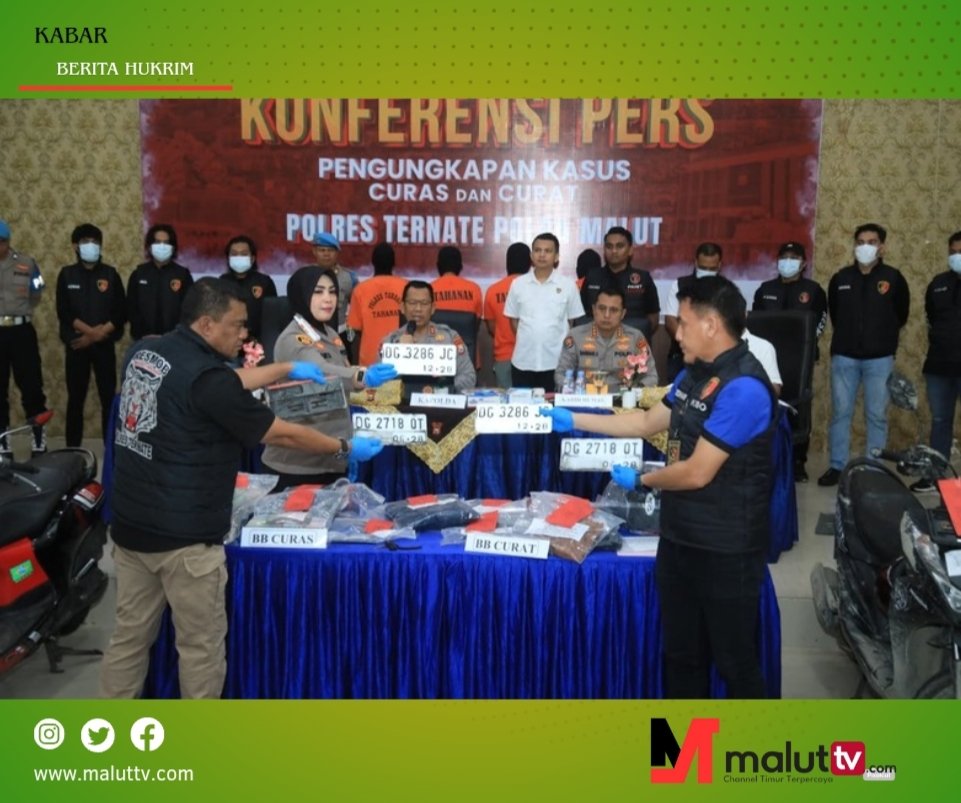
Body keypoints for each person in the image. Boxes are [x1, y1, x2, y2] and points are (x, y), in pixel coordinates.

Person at [100, 278, 384, 698]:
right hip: (185, 540)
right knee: (200, 648)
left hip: (132, 528)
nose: (244, 334)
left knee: (129, 638)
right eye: (236, 325)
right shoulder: (209, 379)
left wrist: (285, 369)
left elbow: (224, 382)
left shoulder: (149, 353)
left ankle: (106, 727)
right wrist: (343, 447)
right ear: (206, 324)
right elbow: (280, 432)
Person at [541, 276, 777, 698]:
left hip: (726, 548)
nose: (676, 332)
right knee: (680, 656)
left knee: (734, 663)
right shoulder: (693, 374)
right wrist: (574, 418)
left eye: (683, 323)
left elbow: (697, 472)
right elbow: (646, 422)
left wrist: (642, 480)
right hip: (679, 537)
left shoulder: (744, 388)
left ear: (711, 325)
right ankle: (678, 744)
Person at [262, 265, 397, 490]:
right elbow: (322, 372)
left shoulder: (330, 333)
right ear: (301, 296)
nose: (328, 299)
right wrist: (362, 375)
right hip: (297, 466)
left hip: (329, 458)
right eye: (318, 292)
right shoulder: (294, 339)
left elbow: (342, 379)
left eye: (332, 291)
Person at [818, 223, 910, 487]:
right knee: (841, 413)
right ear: (854, 246)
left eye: (871, 242)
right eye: (860, 242)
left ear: (882, 247)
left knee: (877, 414)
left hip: (879, 359)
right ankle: (837, 466)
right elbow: (836, 314)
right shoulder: (841, 278)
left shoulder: (894, 278)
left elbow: (901, 315)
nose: (865, 247)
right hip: (844, 357)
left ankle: (874, 468)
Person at [752, 241, 827, 480]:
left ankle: (797, 461)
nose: (788, 262)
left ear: (803, 263)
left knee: (799, 407)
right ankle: (766, 455)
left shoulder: (814, 290)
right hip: (766, 360)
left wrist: (805, 348)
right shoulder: (765, 289)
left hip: (799, 361)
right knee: (766, 403)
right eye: (784, 257)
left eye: (794, 257)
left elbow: (819, 324)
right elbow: (754, 323)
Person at [55, 223, 126, 447]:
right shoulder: (66, 274)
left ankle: (110, 447)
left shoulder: (110, 274)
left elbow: (121, 312)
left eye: (95, 242)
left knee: (108, 399)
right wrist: (90, 333)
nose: (91, 246)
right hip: (78, 346)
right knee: (76, 399)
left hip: (104, 346)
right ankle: (72, 449)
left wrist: (98, 334)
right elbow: (64, 312)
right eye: (86, 242)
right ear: (75, 246)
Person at [503, 232, 584, 392]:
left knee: (554, 406)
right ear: (531, 255)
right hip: (523, 362)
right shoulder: (517, 284)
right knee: (523, 407)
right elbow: (514, 321)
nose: (542, 255)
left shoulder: (568, 286)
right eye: (537, 250)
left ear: (556, 257)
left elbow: (572, 323)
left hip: (556, 363)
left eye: (547, 251)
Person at [917, 231, 961, 492]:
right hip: (939, 365)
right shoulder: (938, 284)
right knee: (941, 420)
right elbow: (931, 317)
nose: (957, 256)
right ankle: (936, 476)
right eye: (953, 252)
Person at [0, 218, 47, 456]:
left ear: (8, 241)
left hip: (21, 332)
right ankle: (2, 441)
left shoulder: (26, 263)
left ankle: (38, 438)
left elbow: (36, 293)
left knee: (32, 386)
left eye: (2, 241)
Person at [554, 285, 658, 391]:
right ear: (594, 310)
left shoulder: (635, 337)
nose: (607, 315)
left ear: (623, 314)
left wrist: (633, 391)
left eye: (614, 310)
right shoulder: (576, 336)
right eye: (602, 308)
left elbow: (651, 377)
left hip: (622, 397)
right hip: (585, 396)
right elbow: (561, 374)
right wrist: (575, 391)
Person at [381, 280, 475, 395]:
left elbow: (469, 377)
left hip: (441, 402)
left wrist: (440, 389)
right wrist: (399, 353)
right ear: (402, 307)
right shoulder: (390, 342)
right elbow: (379, 383)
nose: (418, 309)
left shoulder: (450, 338)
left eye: (424, 303)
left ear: (433, 308)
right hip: (404, 404)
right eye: (412, 303)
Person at [579, 226, 660, 340]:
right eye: (609, 246)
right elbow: (581, 315)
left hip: (632, 342)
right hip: (596, 342)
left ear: (630, 250)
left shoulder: (643, 278)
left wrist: (636, 339)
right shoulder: (592, 277)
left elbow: (653, 317)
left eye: (619, 246)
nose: (614, 251)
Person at [663, 242, 723, 382]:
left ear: (719, 265)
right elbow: (670, 320)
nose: (707, 271)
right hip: (682, 355)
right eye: (703, 267)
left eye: (712, 268)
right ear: (695, 263)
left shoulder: (726, 289)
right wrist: (690, 343)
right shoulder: (680, 285)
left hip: (716, 357)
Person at [127, 223, 194, 340]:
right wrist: (142, 334)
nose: (162, 246)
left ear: (173, 247)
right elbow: (131, 308)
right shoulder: (138, 274)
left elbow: (190, 310)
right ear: (149, 246)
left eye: (166, 242)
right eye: (157, 242)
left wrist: (176, 335)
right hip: (144, 339)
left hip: (176, 340)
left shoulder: (183, 275)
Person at [346, 242, 407, 367]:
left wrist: (355, 365)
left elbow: (353, 332)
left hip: (370, 363)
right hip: (402, 359)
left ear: (372, 262)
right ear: (394, 263)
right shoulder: (407, 287)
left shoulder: (360, 290)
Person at [483, 242, 529, 388]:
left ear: (507, 263)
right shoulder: (535, 289)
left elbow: (492, 328)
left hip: (504, 356)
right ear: (530, 263)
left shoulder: (493, 290)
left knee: (505, 400)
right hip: (531, 357)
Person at [218, 235, 276, 342]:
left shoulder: (265, 282)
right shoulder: (222, 282)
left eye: (244, 254)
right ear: (228, 258)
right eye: (234, 254)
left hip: (258, 341)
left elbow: (272, 318)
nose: (239, 257)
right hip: (228, 340)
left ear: (252, 258)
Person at [431, 245, 483, 364]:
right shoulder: (474, 289)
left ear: (438, 266)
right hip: (468, 357)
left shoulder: (428, 290)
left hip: (437, 360)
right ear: (461, 266)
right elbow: (475, 325)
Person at [306, 231, 357, 341]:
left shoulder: (349, 277)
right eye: (322, 250)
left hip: (340, 334)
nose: (326, 254)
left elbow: (358, 307)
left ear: (337, 253)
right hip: (312, 334)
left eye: (330, 250)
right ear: (314, 251)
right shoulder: (305, 275)